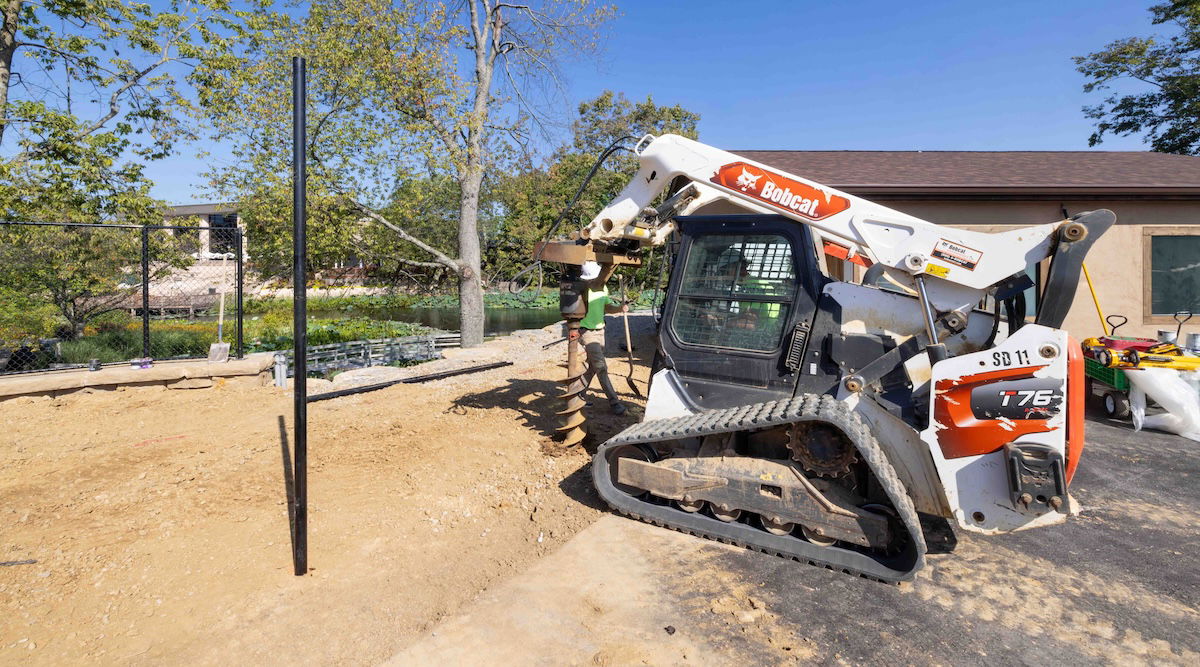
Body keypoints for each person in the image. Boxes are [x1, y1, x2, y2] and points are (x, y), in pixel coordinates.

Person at [578, 261, 628, 416]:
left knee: (593, 366)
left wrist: (620, 308)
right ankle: (615, 403)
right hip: (586, 332)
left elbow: (606, 307)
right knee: (601, 367)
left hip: (600, 331)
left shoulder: (603, 287)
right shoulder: (582, 290)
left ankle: (578, 394)